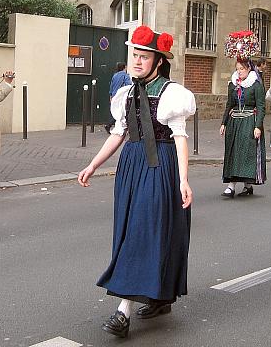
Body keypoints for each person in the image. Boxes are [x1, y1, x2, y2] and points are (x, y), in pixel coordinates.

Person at [77, 25, 195, 338]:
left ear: (159, 61)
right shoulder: (127, 92)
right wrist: (92, 164)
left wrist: (184, 179)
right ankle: (160, 298)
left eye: (144, 57)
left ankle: (122, 312)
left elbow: (180, 138)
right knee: (132, 229)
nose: (137, 61)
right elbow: (119, 134)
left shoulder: (172, 94)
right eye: (135, 55)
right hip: (131, 166)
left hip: (161, 165)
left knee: (143, 233)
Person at [220, 58, 266, 197]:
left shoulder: (256, 85)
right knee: (233, 152)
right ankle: (231, 185)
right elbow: (229, 105)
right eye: (237, 69)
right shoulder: (233, 85)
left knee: (246, 153)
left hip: (249, 121)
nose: (239, 72)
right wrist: (224, 123)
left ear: (249, 70)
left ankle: (247, 184)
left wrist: (258, 126)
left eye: (242, 69)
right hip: (234, 122)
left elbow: (261, 107)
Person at [105, 62, 131, 133]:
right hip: (121, 96)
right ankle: (109, 124)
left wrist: (110, 96)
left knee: (114, 110)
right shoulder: (125, 76)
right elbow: (128, 85)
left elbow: (111, 86)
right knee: (121, 111)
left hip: (114, 95)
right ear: (124, 67)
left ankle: (110, 124)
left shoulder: (115, 75)